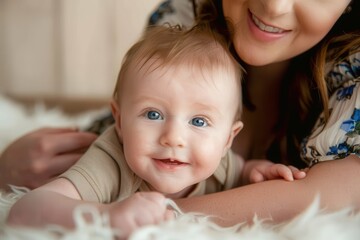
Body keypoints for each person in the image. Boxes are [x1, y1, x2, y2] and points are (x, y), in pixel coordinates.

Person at [3, 0, 359, 229]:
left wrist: (165, 217)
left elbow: (343, 189)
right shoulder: (186, 15)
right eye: (155, 115)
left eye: (199, 122)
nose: (274, 5)